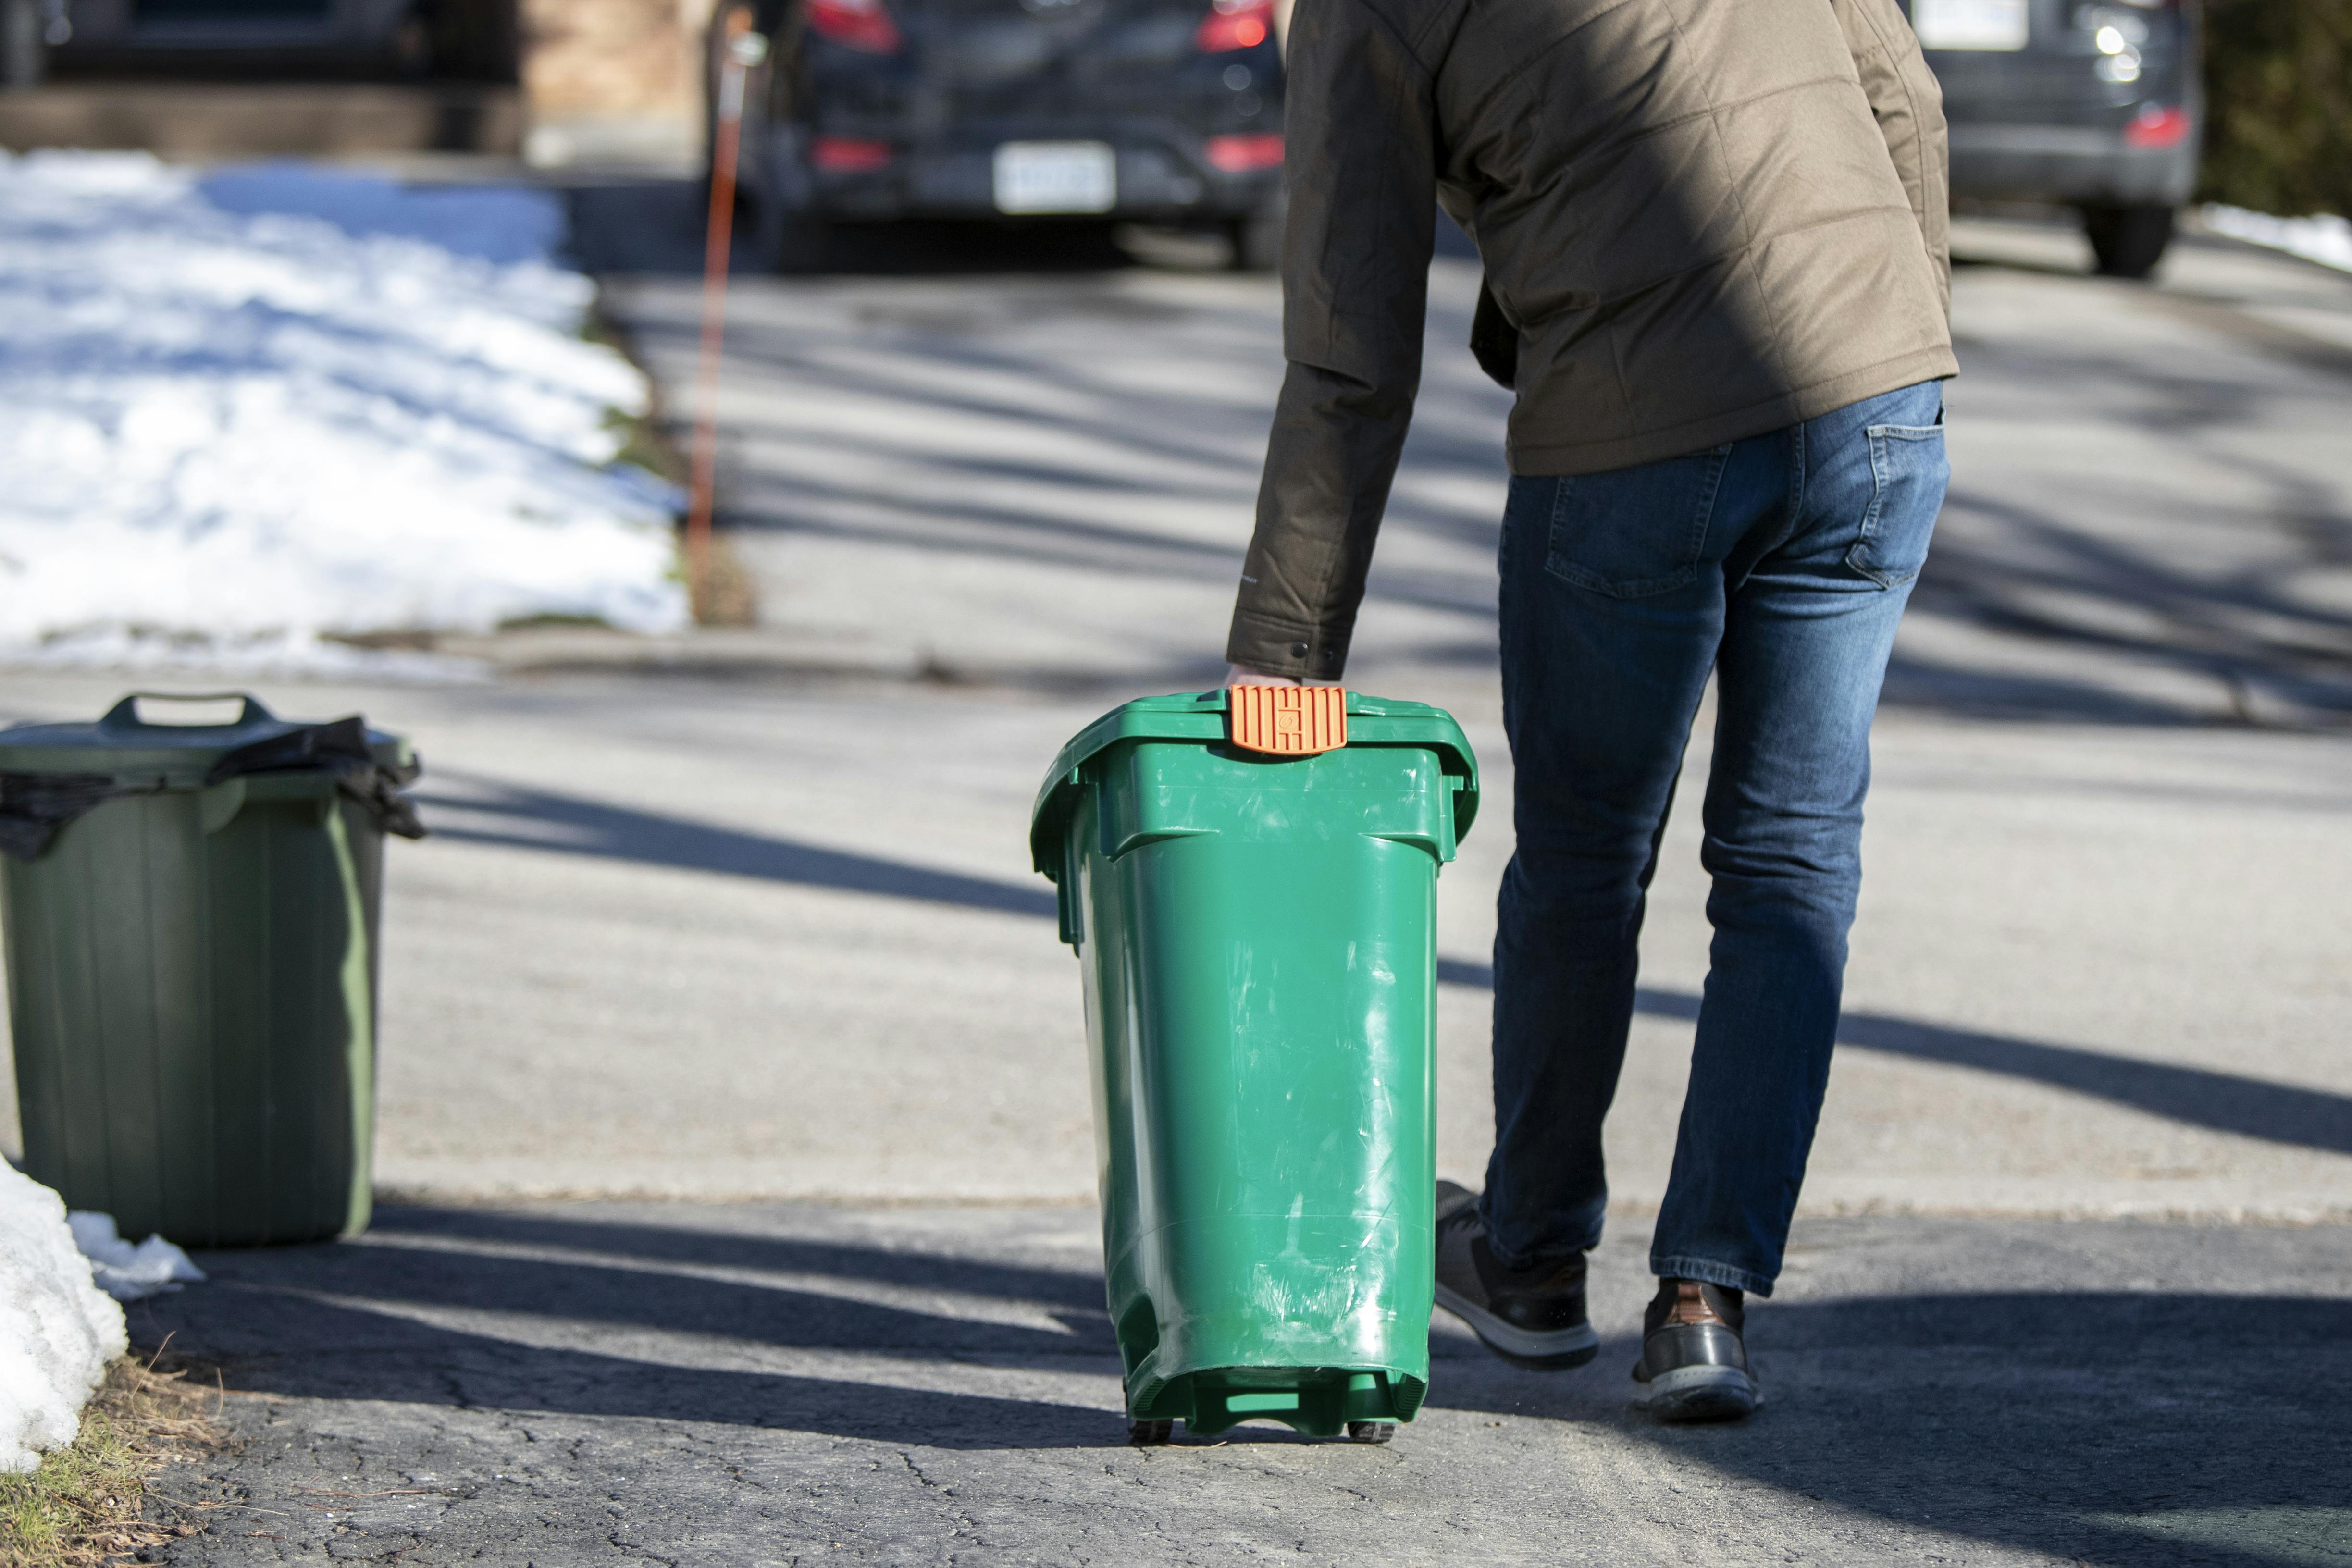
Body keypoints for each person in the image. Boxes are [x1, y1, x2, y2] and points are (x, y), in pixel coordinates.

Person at [1224, 0, 1956, 1422]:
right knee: (1792, 861)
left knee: (1582, 861)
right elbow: (1908, 106)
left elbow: (1350, 355)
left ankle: (1535, 1258)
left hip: (1635, 443)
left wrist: (1286, 649)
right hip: (1877, 401)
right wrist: (1900, 332)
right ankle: (1705, 1305)